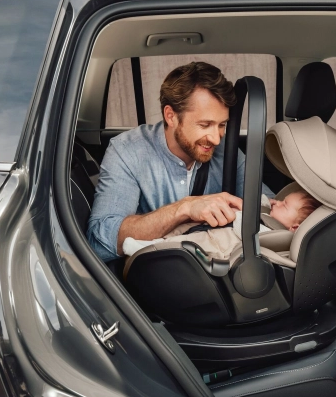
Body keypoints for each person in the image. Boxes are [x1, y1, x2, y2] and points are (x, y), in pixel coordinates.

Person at [87, 62, 273, 262]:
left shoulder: (226, 150)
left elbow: (268, 207)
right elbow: (100, 243)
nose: (216, 139)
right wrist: (183, 209)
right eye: (205, 124)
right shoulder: (128, 151)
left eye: (222, 125)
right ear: (171, 116)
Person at [121, 190, 322, 259]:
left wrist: (243, 212)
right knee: (182, 229)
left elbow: (246, 228)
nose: (276, 202)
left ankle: (146, 248)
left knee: (185, 242)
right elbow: (261, 204)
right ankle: (155, 241)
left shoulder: (274, 235)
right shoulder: (273, 218)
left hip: (218, 244)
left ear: (294, 228)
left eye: (284, 205)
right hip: (213, 233)